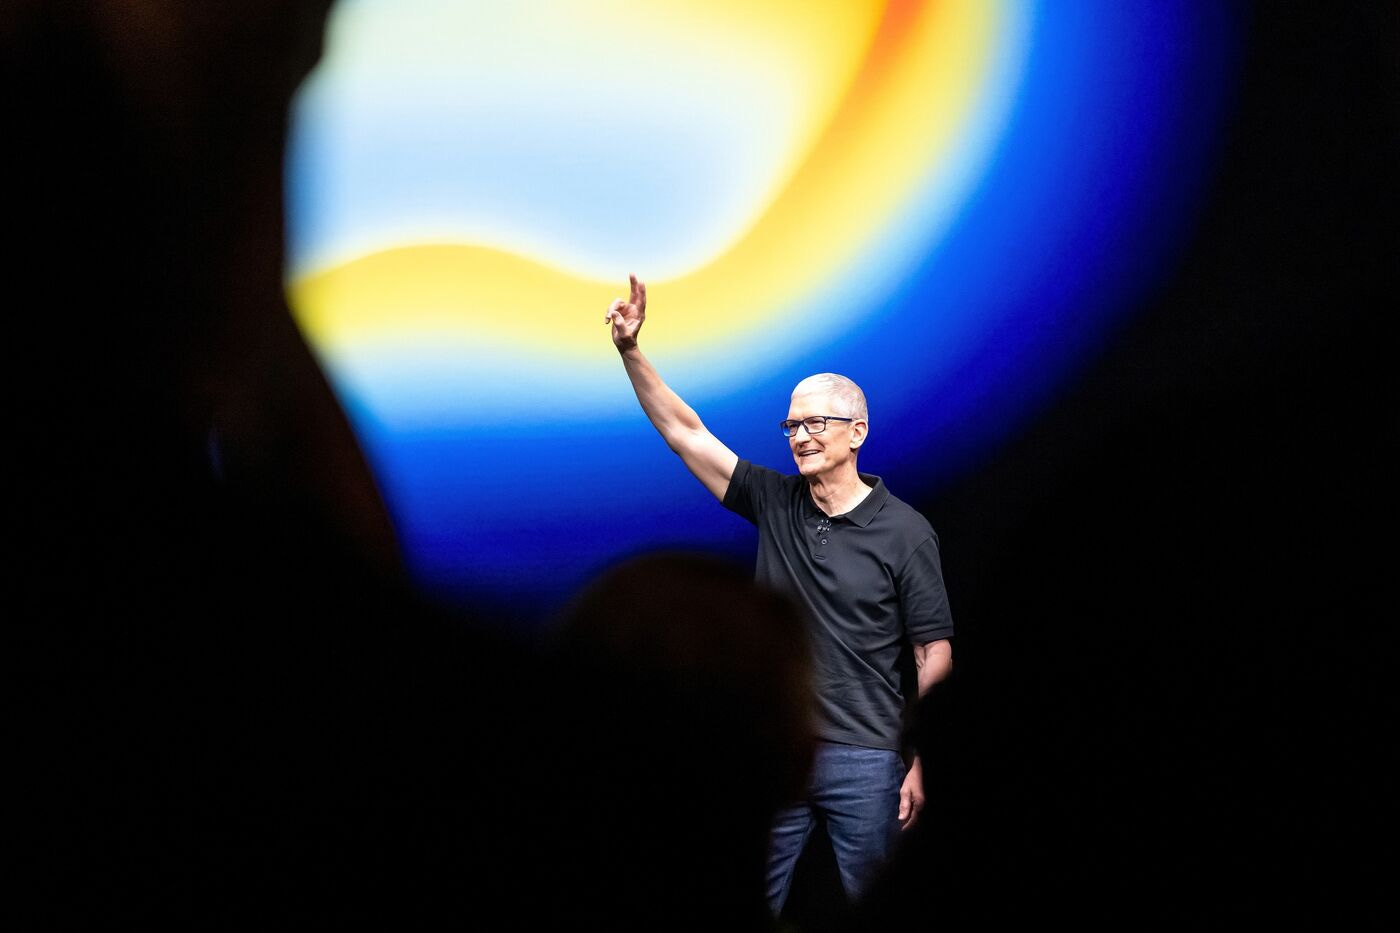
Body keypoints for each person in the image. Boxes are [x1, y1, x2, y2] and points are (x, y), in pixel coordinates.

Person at [604, 274, 955, 915]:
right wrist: (631, 350)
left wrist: (923, 759)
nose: (799, 436)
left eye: (816, 423)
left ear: (858, 432)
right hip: (779, 748)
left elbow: (934, 654)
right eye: (791, 425)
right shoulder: (774, 500)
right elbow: (686, 432)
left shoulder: (906, 531)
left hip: (869, 760)